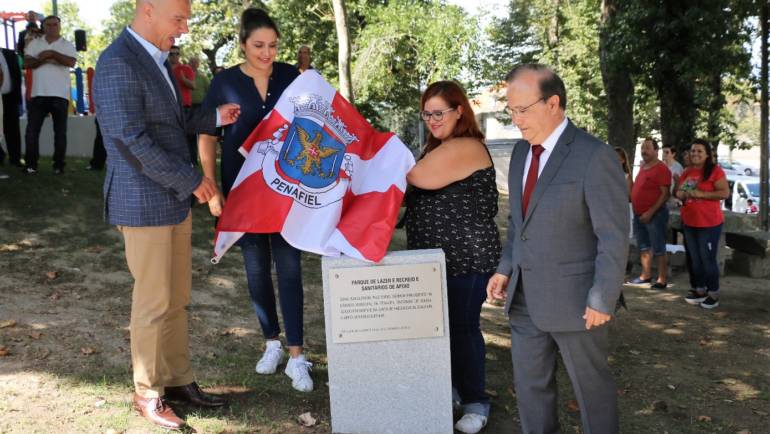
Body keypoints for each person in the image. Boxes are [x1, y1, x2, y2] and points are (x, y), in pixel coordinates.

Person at [92, 0, 241, 429]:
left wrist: (213, 116)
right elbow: (130, 140)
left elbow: (168, 121)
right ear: (148, 10)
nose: (183, 28)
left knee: (176, 300)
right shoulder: (118, 61)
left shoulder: (156, 58)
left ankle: (178, 380)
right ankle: (148, 393)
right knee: (154, 301)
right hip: (143, 202)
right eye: (179, 19)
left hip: (170, 199)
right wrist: (191, 181)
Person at [486, 64, 628, 434]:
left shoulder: (594, 156)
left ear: (553, 103)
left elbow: (613, 235)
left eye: (523, 109)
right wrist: (505, 267)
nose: (515, 120)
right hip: (524, 300)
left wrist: (602, 297)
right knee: (532, 393)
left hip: (578, 303)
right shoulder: (519, 155)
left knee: (592, 395)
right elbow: (520, 223)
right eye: (511, 111)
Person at [197, 8, 311, 393]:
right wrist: (212, 187)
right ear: (243, 44)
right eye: (259, 45)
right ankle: (271, 343)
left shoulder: (291, 78)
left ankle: (297, 356)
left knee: (290, 269)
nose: (267, 53)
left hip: (286, 195)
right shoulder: (224, 82)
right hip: (242, 195)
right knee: (256, 270)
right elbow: (207, 136)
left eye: (273, 45)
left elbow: (312, 127)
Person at [404, 81, 500, 434]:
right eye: (427, 113)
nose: (432, 119)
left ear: (460, 110)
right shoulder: (441, 146)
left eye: (439, 112)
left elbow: (413, 177)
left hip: (465, 257)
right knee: (442, 330)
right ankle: (454, 392)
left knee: (462, 329)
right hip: (438, 260)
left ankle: (477, 402)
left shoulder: (465, 145)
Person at [674, 139, 729, 309]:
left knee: (707, 258)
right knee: (695, 259)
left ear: (707, 155)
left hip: (709, 223)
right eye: (693, 151)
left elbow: (724, 193)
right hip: (690, 222)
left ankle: (713, 293)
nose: (695, 154)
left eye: (699, 151)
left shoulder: (715, 171)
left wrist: (701, 194)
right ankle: (700, 290)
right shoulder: (688, 172)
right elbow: (680, 192)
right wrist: (681, 194)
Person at [22, 15, 77, 174]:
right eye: (49, 25)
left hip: (60, 95)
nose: (52, 27)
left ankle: (58, 166)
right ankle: (31, 165)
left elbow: (71, 62)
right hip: (38, 94)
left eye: (55, 24)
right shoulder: (35, 43)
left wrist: (51, 53)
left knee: (60, 133)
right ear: (43, 26)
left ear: (60, 26)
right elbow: (26, 63)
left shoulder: (66, 44)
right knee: (32, 132)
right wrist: (45, 59)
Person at [627, 137, 671, 289]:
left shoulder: (661, 169)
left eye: (647, 148)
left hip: (655, 215)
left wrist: (651, 212)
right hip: (639, 214)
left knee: (658, 247)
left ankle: (662, 279)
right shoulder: (643, 166)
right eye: (642, 148)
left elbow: (665, 194)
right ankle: (645, 275)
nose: (644, 151)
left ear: (656, 151)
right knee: (644, 246)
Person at [169, 45, 197, 163]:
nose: (175, 56)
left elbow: (193, 86)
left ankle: (192, 161)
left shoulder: (186, 69)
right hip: (168, 106)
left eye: (177, 53)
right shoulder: (162, 69)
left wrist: (183, 79)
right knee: (171, 135)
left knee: (189, 135)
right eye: (171, 54)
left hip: (184, 106)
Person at [0, 48, 22, 168]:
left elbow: (17, 76)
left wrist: (17, 97)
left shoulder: (9, 54)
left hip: (10, 98)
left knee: (13, 129)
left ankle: (15, 158)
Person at [662, 143, 684, 209]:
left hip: (673, 199)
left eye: (667, 152)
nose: (664, 154)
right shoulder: (660, 165)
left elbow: (681, 185)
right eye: (663, 152)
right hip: (660, 198)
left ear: (673, 154)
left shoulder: (679, 167)